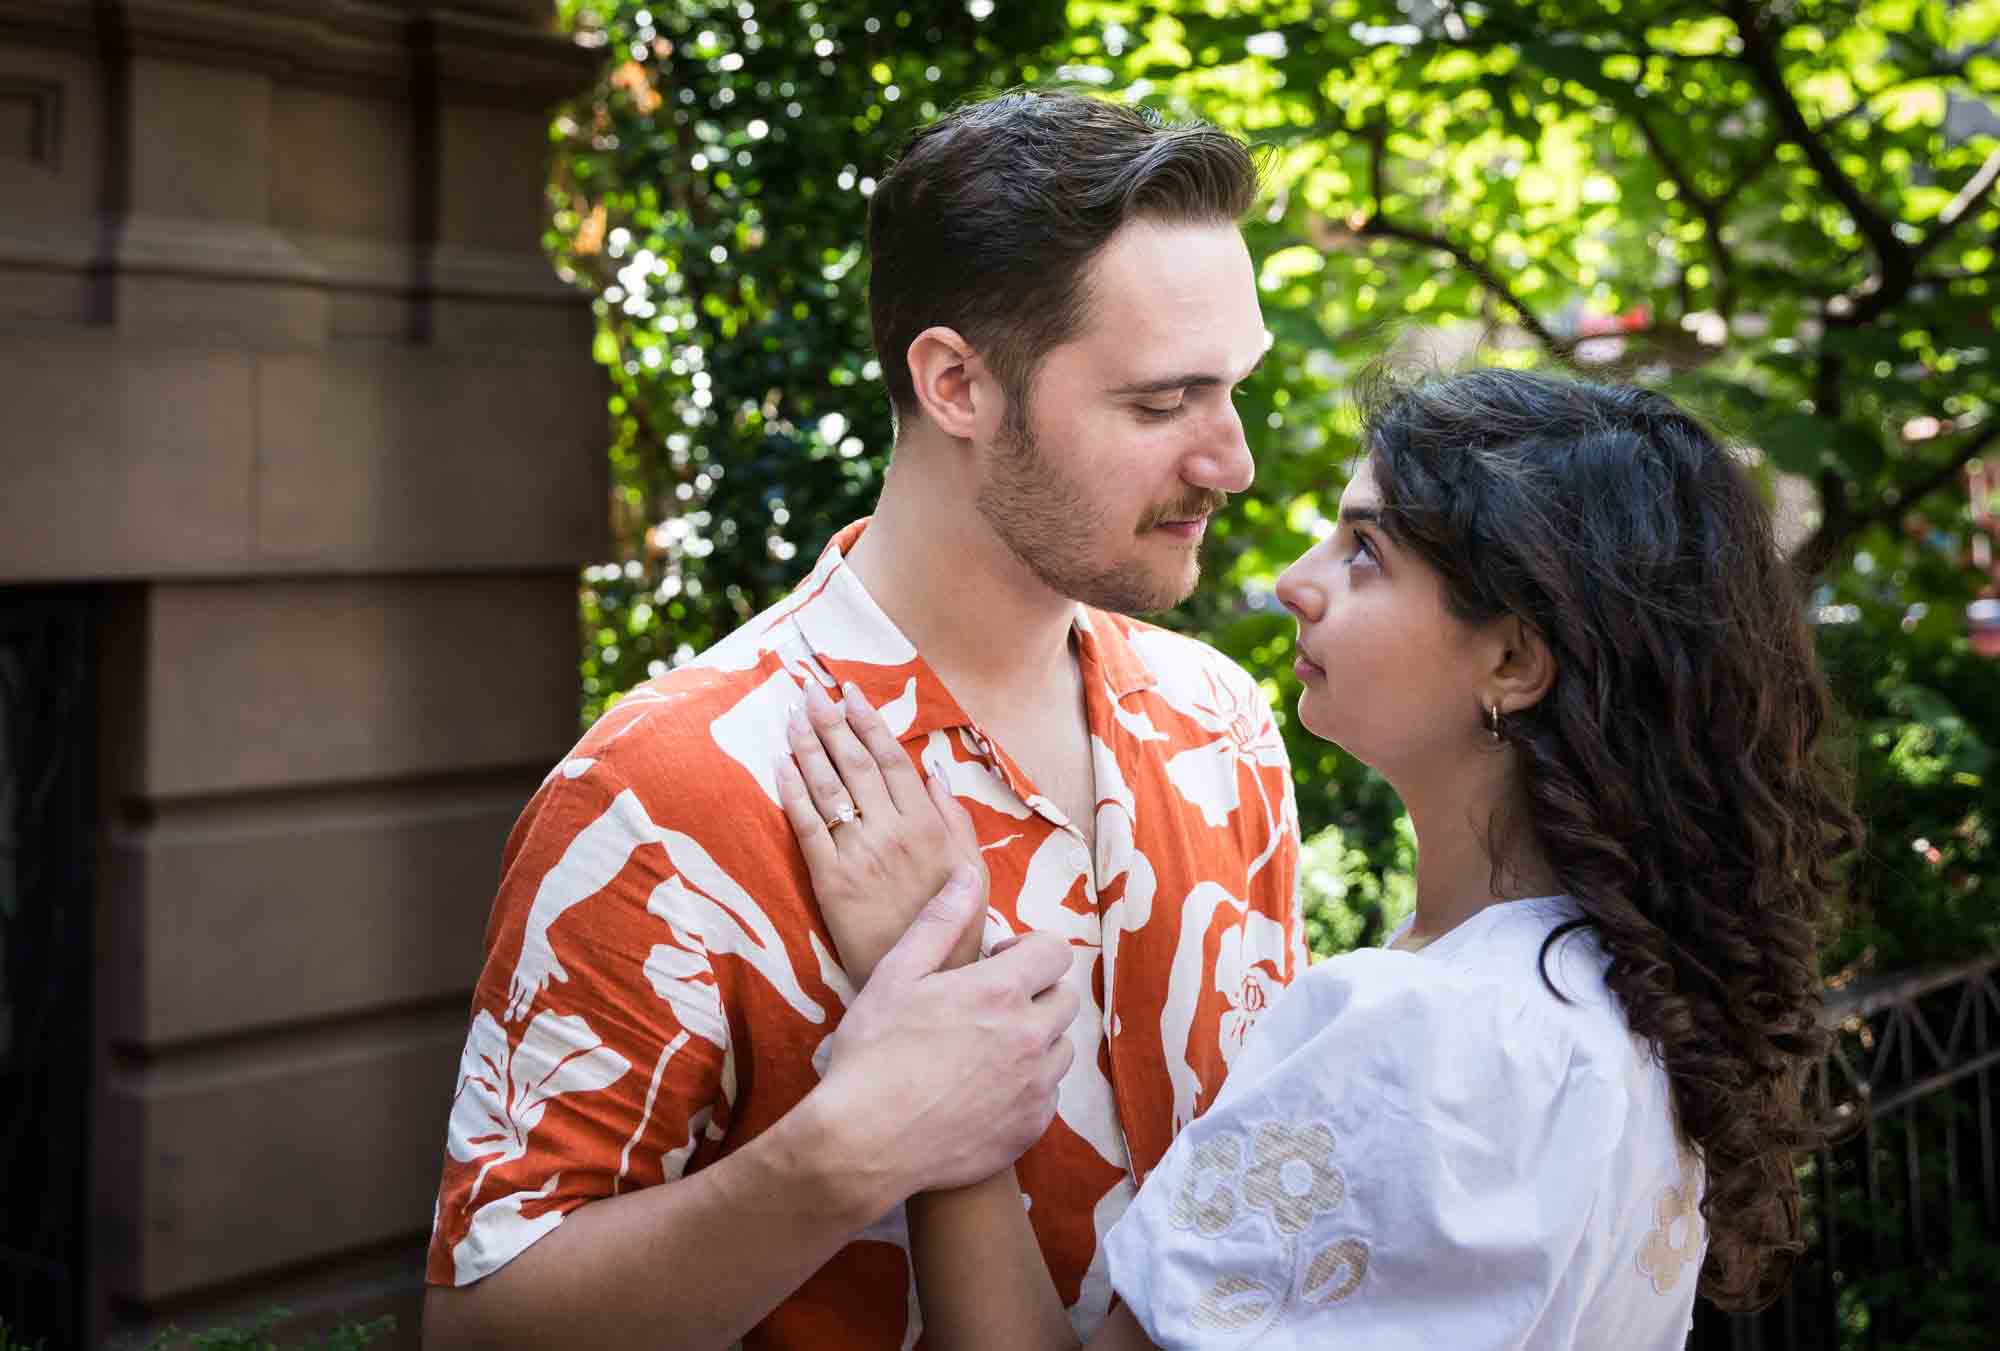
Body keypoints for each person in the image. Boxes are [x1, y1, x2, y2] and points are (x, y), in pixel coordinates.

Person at [422, 90, 1303, 1349]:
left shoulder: (1217, 722)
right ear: (954, 384)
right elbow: (478, 1328)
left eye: (1232, 390)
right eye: (1162, 403)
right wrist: (839, 1156)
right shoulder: (665, 788)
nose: (1231, 461)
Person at [784, 369, 1861, 1349]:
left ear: (1512, 658)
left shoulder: (1430, 1037)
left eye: (1363, 553)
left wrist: (931, 1012)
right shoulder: (1621, 987)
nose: (1299, 580)